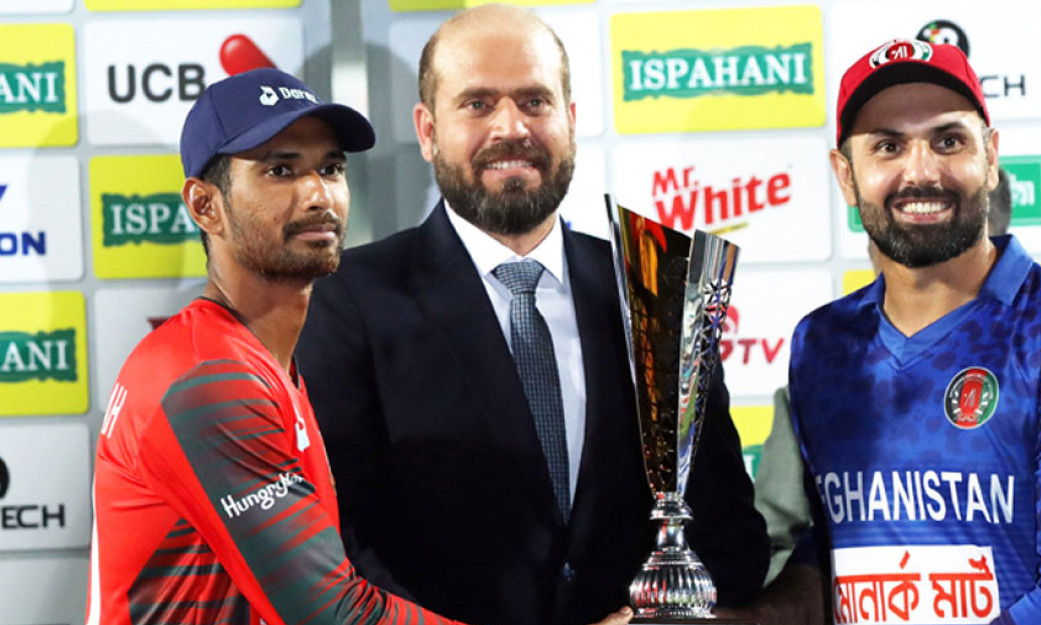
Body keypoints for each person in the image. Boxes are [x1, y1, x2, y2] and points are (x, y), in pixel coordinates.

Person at [86, 67, 634, 625]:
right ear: (206, 206)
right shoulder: (209, 379)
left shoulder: (263, 363)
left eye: (330, 168)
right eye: (280, 170)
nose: (318, 195)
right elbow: (333, 614)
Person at [294, 6, 768, 625]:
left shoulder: (657, 290)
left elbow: (729, 537)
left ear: (570, 120)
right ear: (429, 131)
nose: (511, 127)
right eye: (478, 104)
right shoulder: (346, 301)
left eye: (535, 102)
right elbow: (336, 548)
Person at [746, 39, 1041, 625]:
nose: (921, 172)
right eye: (888, 146)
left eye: (948, 141)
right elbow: (836, 552)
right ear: (846, 175)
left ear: (990, 158)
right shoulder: (823, 345)